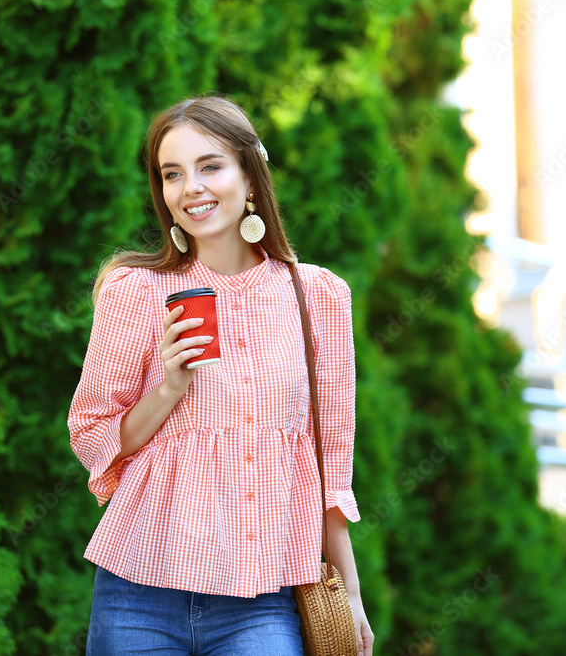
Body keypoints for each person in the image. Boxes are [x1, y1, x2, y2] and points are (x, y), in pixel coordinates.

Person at [67, 94, 375, 655]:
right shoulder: (134, 292)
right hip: (138, 590)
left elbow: (330, 462)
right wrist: (168, 388)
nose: (192, 188)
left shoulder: (320, 297)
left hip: (262, 600)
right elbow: (92, 434)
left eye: (211, 166)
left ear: (250, 176)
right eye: (172, 174)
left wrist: (350, 594)